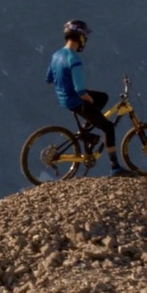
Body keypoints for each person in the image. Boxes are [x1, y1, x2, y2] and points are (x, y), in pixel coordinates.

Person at [45, 19, 128, 176]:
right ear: (80, 37)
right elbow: (80, 90)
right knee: (108, 128)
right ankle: (115, 167)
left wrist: (65, 83)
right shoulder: (74, 59)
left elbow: (48, 78)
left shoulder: (56, 55)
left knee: (102, 97)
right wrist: (85, 96)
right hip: (76, 100)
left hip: (65, 98)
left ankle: (87, 130)